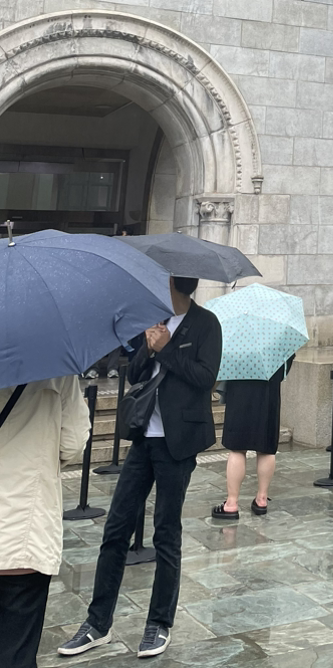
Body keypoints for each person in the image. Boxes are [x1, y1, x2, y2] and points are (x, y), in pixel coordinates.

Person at [59, 276, 222, 659]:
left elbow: (206, 379)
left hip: (178, 443)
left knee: (166, 531)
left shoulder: (206, 324)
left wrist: (166, 349)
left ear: (175, 283)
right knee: (116, 528)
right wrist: (148, 348)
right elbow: (133, 374)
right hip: (143, 437)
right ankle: (97, 623)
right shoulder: (154, 319)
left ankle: (159, 623)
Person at [1, 377, 90, 668]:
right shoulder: (55, 369)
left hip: (21, 527)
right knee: (16, 653)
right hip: (22, 526)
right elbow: (73, 443)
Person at [211, 355, 295, 520]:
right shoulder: (276, 340)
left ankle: (231, 503)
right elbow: (288, 356)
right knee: (266, 449)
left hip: (240, 387)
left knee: (237, 449)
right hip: (269, 389)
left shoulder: (237, 340)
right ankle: (262, 499)